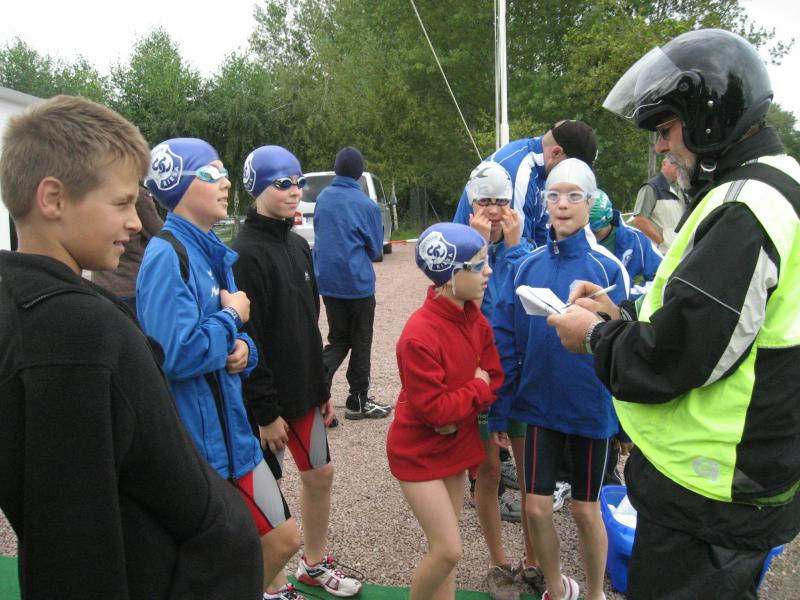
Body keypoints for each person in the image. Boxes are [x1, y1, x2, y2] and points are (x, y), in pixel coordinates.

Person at [548, 29, 800, 599]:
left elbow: (676, 356)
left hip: (710, 493)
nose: (661, 146)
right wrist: (620, 310)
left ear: (710, 118)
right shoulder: (775, 184)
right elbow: (716, 315)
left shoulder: (744, 209)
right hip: (744, 473)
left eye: (666, 128)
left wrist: (596, 337)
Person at [0, 96, 262, 598]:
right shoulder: (81, 332)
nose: (137, 222)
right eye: (121, 204)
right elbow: (77, 537)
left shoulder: (26, 307)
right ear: (52, 199)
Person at [138, 137, 299, 600]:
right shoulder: (166, 256)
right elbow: (173, 355)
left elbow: (239, 339)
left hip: (236, 440)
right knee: (247, 549)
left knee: (282, 539)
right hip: (199, 450)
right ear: (179, 186)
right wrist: (231, 319)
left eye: (225, 173)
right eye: (211, 173)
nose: (226, 182)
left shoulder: (213, 250)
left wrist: (245, 348)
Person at [492, 158, 629, 600]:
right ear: (544, 202)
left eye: (574, 195)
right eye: (554, 195)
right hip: (538, 406)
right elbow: (507, 338)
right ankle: (556, 588)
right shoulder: (526, 266)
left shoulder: (608, 268)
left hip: (589, 408)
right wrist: (501, 409)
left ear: (590, 202)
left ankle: (595, 593)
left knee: (587, 512)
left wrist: (626, 425)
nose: (563, 204)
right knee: (535, 508)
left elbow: (627, 343)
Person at [233, 144, 363, 598]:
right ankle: (270, 586)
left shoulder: (297, 244)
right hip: (266, 402)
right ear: (257, 188)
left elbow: (309, 323)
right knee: (268, 499)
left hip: (304, 391)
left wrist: (321, 387)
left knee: (320, 475)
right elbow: (248, 340)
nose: (294, 191)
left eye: (298, 182)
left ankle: (313, 564)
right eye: (282, 183)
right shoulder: (243, 254)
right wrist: (266, 412)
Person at [387, 222, 503, 600]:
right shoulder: (419, 334)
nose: (488, 271)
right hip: (416, 452)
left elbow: (495, 375)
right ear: (450, 277)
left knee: (446, 552)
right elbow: (435, 412)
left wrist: (465, 402)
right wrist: (475, 389)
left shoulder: (473, 319)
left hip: (455, 445)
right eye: (478, 264)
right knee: (448, 550)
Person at [462, 162, 544, 599]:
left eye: (501, 201)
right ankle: (498, 562)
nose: (494, 210)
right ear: (472, 204)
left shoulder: (526, 251)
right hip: (482, 383)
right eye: (485, 201)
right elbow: (465, 311)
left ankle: (533, 561)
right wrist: (478, 249)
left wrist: (512, 250)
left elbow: (529, 308)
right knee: (488, 472)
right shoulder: (460, 250)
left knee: (531, 476)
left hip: (522, 382)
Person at [313, 146, 392, 420]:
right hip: (357, 284)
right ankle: (358, 400)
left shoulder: (323, 198)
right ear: (360, 173)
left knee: (338, 339)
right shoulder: (367, 205)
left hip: (328, 281)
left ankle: (316, 387)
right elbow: (376, 249)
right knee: (360, 341)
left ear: (336, 169)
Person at [453, 120, 598, 245]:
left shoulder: (541, 166)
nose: (572, 175)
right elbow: (517, 252)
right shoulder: (521, 176)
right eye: (570, 166)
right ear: (556, 153)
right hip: (471, 261)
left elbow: (541, 236)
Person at [90, 186, 163, 312]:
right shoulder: (136, 195)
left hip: (101, 284)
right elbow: (161, 234)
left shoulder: (94, 189)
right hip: (131, 285)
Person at [589, 189, 662, 301]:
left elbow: (661, 278)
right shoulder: (569, 241)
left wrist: (625, 296)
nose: (590, 236)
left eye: (595, 231)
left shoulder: (635, 240)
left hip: (624, 307)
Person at [631, 156, 688, 253]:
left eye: (681, 165)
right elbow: (639, 220)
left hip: (679, 251)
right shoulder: (650, 188)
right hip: (661, 253)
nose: (679, 168)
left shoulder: (682, 189)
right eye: (675, 163)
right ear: (664, 164)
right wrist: (663, 242)